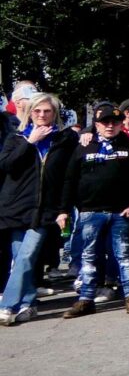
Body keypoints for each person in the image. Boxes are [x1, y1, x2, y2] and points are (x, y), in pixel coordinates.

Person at [59, 103, 129, 316]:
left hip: (121, 212)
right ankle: (86, 299)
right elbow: (70, 179)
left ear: (120, 124)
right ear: (97, 125)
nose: (110, 126)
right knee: (88, 256)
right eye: (105, 122)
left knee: (125, 255)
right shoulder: (84, 146)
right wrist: (63, 210)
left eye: (115, 122)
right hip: (91, 211)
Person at [0, 93, 67, 325]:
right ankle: (28, 304)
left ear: (54, 114)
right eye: (37, 111)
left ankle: (6, 306)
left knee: (27, 256)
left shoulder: (62, 139)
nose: (41, 115)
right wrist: (30, 143)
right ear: (30, 113)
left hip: (45, 210)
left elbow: (67, 176)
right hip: (16, 207)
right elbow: (6, 165)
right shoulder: (16, 138)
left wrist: (63, 209)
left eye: (47, 111)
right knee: (20, 258)